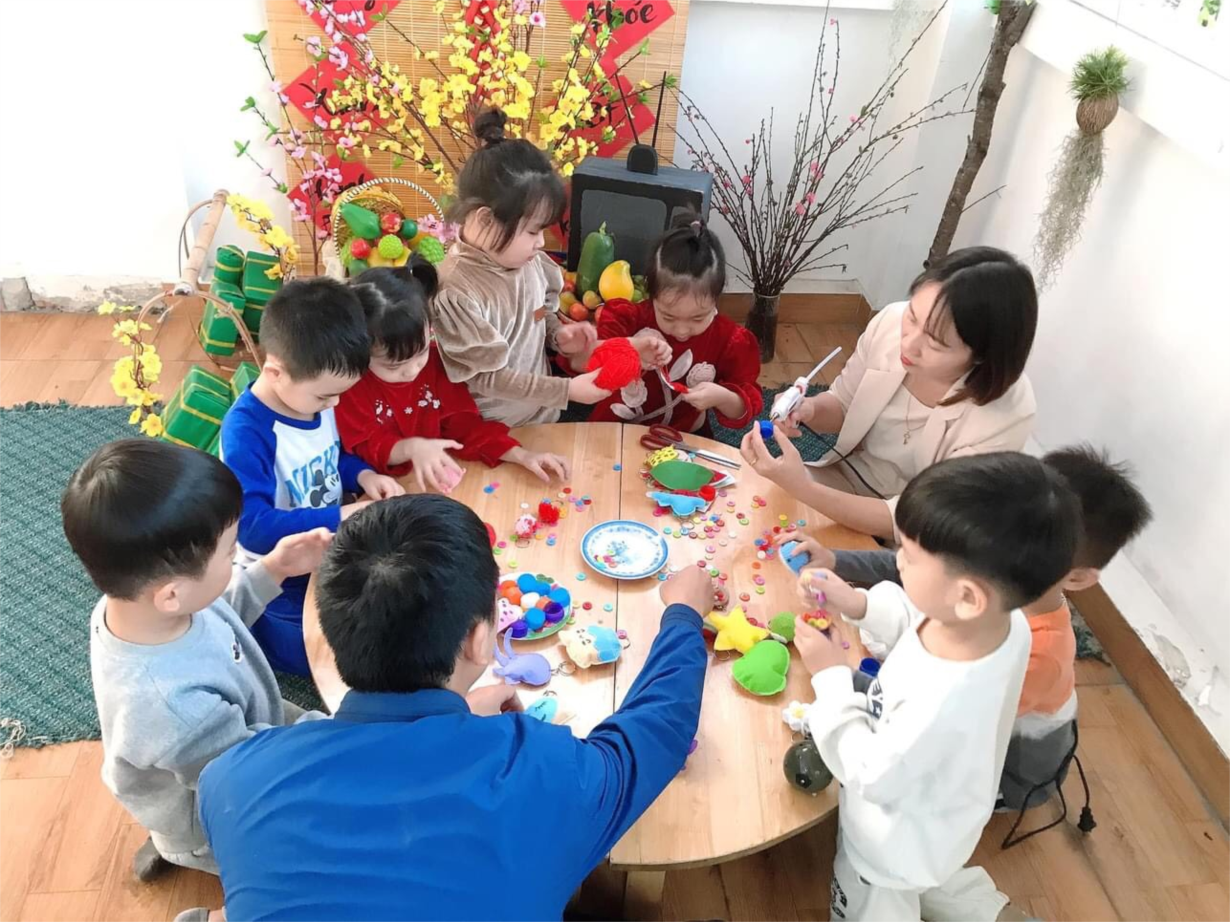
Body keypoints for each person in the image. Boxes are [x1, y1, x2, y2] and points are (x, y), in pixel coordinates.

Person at [198, 494, 715, 922]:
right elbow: (657, 729)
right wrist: (684, 613)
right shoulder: (549, 771)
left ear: (332, 635)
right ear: (479, 639)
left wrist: (457, 715)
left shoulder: (230, 780)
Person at [793, 452, 1080, 922]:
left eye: (908, 555)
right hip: (943, 816)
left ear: (967, 596)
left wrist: (831, 678)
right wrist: (859, 604)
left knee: (878, 900)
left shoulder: (941, 700)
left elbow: (871, 772)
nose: (897, 560)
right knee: (931, 873)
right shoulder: (1002, 624)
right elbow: (921, 620)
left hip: (889, 842)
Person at [61, 440, 329, 919]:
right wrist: (343, 736)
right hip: (223, 804)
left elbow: (215, 613)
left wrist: (273, 570)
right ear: (171, 594)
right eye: (230, 552)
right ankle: (187, 854)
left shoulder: (137, 607)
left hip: (225, 739)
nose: (238, 557)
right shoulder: (174, 707)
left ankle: (171, 832)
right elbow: (252, 773)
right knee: (308, 865)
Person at [741, 247, 1038, 541]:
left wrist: (805, 489)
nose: (908, 344)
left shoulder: (1005, 414)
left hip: (920, 536)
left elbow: (918, 521)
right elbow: (843, 404)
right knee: (758, 506)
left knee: (819, 560)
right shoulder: (891, 324)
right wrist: (809, 409)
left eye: (935, 343)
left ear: (982, 356)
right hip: (847, 480)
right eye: (913, 317)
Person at [220, 277, 403, 675]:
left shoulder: (312, 400)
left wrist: (363, 476)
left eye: (339, 394)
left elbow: (330, 458)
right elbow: (252, 529)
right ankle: (258, 638)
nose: (334, 404)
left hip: (330, 547)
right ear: (275, 372)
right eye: (324, 396)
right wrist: (340, 517)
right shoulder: (246, 432)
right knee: (335, 656)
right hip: (279, 576)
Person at [431, 107, 611, 426]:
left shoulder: (530, 262)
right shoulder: (456, 291)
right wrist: (566, 390)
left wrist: (558, 334)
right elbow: (485, 378)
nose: (541, 242)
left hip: (543, 415)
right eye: (532, 231)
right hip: (491, 430)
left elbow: (536, 313)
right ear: (486, 220)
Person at [336, 260, 571, 493]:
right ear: (361, 352)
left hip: (435, 484)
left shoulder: (437, 363)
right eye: (393, 366)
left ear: (430, 330)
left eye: (421, 352)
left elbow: (466, 429)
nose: (412, 370)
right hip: (388, 490)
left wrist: (522, 455)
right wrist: (412, 449)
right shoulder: (350, 386)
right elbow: (367, 446)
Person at [587, 214, 763, 434]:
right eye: (668, 317)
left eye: (698, 318)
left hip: (683, 435)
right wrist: (630, 350)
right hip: (613, 430)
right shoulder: (629, 319)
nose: (681, 331)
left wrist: (722, 397)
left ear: (716, 300)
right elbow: (591, 363)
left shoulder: (730, 340)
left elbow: (743, 408)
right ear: (651, 296)